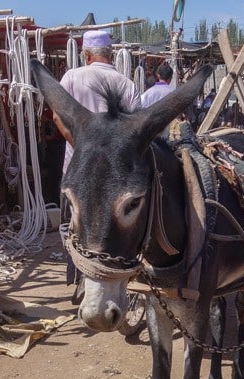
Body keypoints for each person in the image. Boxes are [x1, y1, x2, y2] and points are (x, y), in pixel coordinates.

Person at [57, 29, 141, 293]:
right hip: (116, 175)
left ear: (87, 54)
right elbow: (135, 131)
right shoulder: (126, 84)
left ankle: (80, 277)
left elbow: (58, 117)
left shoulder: (72, 77)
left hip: (77, 168)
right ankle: (107, 283)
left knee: (76, 222)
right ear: (111, 54)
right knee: (110, 228)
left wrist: (83, 147)